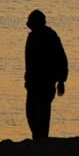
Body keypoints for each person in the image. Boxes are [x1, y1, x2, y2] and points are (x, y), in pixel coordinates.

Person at [25, 9, 68, 139]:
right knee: (31, 112)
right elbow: (29, 63)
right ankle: (38, 137)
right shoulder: (32, 36)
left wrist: (62, 80)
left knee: (42, 111)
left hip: (46, 82)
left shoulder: (50, 36)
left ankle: (41, 139)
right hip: (33, 82)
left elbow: (61, 58)